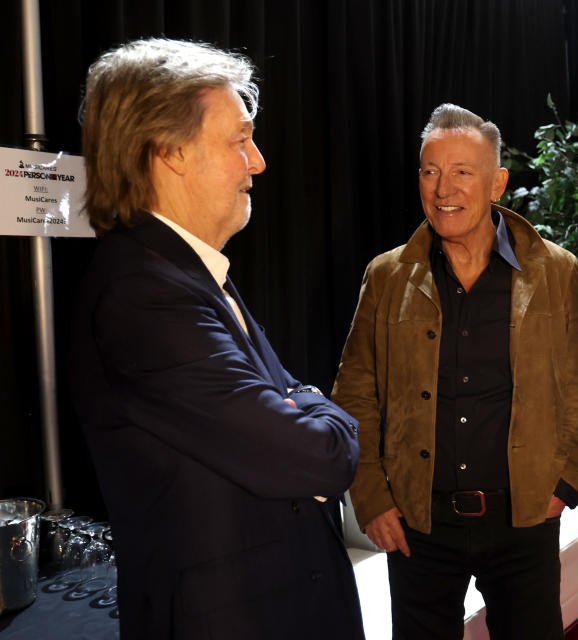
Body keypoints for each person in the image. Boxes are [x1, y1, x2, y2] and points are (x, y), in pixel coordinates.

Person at [69, 39, 364, 639]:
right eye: (239, 139)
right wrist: (316, 405)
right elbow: (320, 456)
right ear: (170, 151)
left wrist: (296, 403)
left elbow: (288, 431)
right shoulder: (145, 297)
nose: (257, 161)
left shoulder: (183, 275)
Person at [331, 103, 578, 640]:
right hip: (419, 526)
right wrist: (372, 497)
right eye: (430, 171)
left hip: (524, 520)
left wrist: (567, 481)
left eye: (461, 172)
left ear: (497, 182)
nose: (442, 188)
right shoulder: (386, 277)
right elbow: (354, 393)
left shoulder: (556, 270)